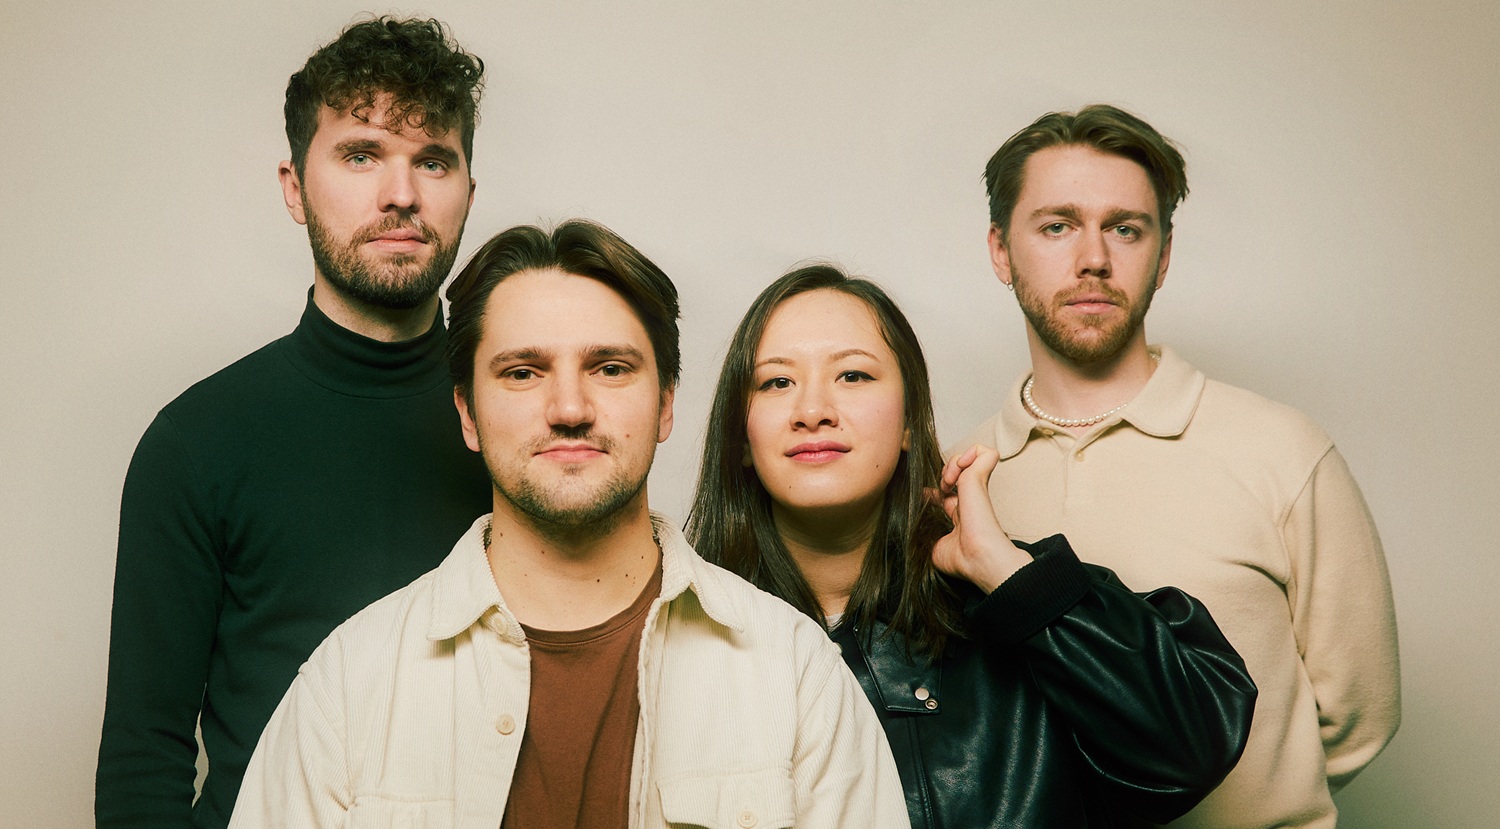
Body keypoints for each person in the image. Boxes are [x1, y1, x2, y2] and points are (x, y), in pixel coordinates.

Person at [228, 221, 910, 829]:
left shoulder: (796, 677)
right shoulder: (349, 685)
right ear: (466, 412)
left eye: (610, 368)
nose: (569, 407)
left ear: (667, 403)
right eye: (523, 372)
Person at [687, 263, 1258, 828]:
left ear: (911, 421)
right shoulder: (679, 632)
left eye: (854, 376)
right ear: (742, 435)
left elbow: (1187, 755)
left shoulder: (1026, 601)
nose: (813, 412)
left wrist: (1009, 575)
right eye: (776, 382)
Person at [95, 17, 491, 828]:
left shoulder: (527, 423)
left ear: (467, 195)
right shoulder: (196, 441)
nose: (402, 194)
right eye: (360, 154)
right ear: (292, 187)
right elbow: (144, 755)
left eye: (432, 160)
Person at [960, 104, 1400, 827]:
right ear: (1002, 250)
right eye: (1057, 225)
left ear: (1162, 256)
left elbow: (1357, 717)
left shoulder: (1281, 449)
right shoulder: (964, 480)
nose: (1093, 257)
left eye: (1125, 228)